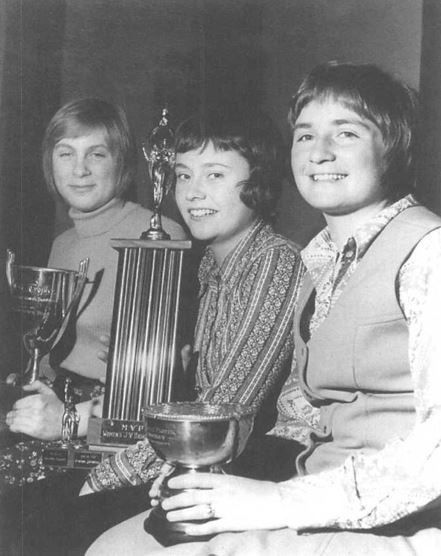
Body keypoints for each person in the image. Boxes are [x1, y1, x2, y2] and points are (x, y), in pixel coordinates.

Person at [88, 62, 441, 556]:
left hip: (399, 521)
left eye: (346, 133)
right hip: (315, 494)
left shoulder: (429, 252)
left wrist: (275, 502)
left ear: (394, 146)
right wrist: (201, 471)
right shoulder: (320, 263)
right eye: (305, 135)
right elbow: (305, 417)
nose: (319, 152)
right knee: (117, 544)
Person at [80, 103, 305, 496]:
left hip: (270, 471)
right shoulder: (208, 269)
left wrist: (110, 474)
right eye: (183, 175)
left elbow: (223, 413)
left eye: (215, 175)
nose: (193, 191)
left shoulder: (275, 260)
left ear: (260, 181)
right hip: (212, 461)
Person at [0, 98, 185, 553]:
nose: (79, 169)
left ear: (121, 162)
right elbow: (56, 341)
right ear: (50, 162)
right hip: (57, 411)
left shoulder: (156, 236)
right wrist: (36, 378)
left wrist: (65, 419)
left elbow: (157, 391)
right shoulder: (63, 242)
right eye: (66, 153)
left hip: (111, 433)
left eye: (96, 154)